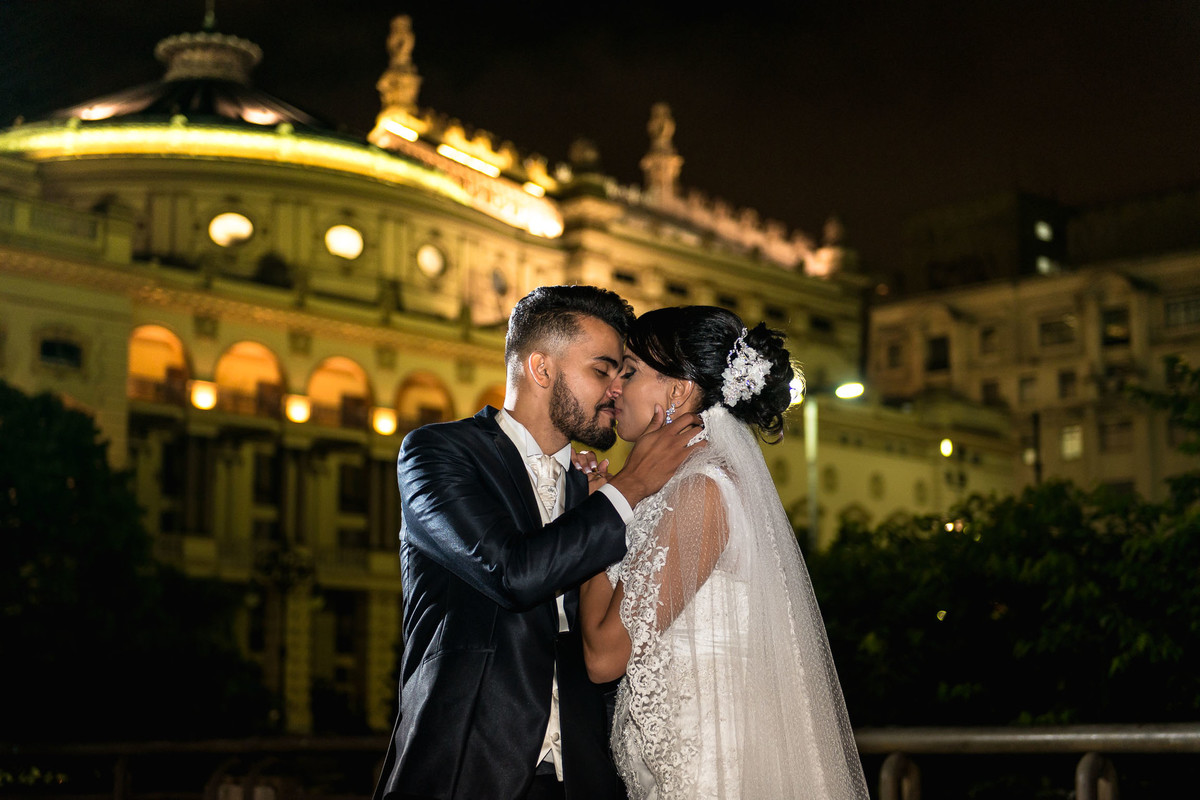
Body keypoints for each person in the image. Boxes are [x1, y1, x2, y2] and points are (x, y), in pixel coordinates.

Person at [373, 285, 704, 800]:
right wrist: (630, 487)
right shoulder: (438, 454)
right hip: (466, 770)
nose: (616, 389)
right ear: (541, 369)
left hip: (582, 778)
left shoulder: (591, 487)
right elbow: (511, 573)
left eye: (622, 373)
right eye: (601, 370)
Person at [576, 306, 870, 800]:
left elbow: (603, 655)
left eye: (629, 371)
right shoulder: (674, 489)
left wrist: (598, 516)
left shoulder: (700, 492)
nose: (614, 388)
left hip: (708, 777)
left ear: (677, 390)